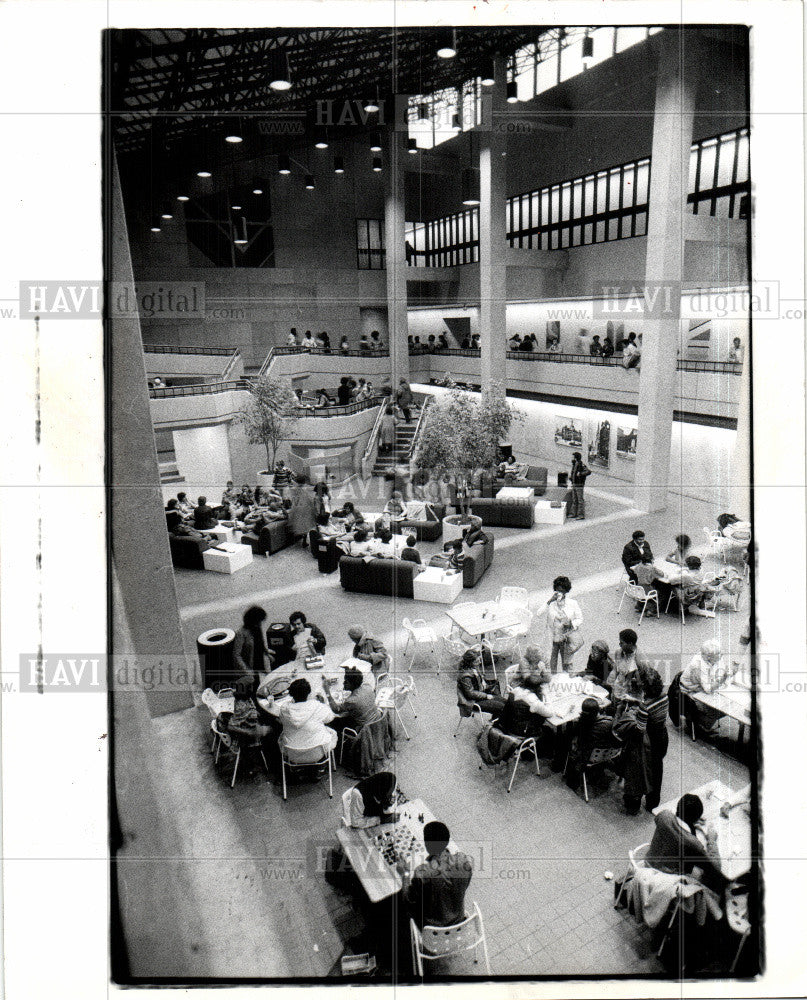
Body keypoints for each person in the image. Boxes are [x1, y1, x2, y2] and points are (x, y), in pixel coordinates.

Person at [645, 793, 727, 892]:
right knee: (714, 878)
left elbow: (673, 821)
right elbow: (716, 867)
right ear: (696, 818)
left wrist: (689, 822)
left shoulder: (663, 816)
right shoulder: (693, 844)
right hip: (667, 882)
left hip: (649, 865)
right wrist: (712, 840)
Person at [406, 821, 473, 929]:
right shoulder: (463, 861)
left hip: (432, 929)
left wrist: (405, 873)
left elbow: (408, 900)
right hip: (459, 922)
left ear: (427, 844)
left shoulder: (422, 873)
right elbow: (464, 886)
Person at [679, 639, 739, 737]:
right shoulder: (698, 665)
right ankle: (697, 724)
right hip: (690, 692)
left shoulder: (713, 658)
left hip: (702, 687)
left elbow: (720, 671)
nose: (722, 655)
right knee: (720, 709)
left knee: (726, 704)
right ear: (708, 656)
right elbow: (708, 689)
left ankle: (701, 721)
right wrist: (723, 678)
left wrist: (730, 673)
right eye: (719, 653)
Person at [563, 696, 619, 789]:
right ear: (598, 710)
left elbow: (572, 735)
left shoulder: (583, 725)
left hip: (587, 756)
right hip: (606, 754)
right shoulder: (609, 721)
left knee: (566, 740)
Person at [277, 678, 337, 761]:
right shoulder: (316, 706)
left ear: (291, 694)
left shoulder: (284, 708)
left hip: (292, 754)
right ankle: (321, 766)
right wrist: (322, 704)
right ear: (308, 693)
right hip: (317, 753)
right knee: (329, 730)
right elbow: (330, 718)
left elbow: (282, 720)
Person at [636, 664, 669, 812]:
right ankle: (653, 803)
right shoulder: (664, 696)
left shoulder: (645, 706)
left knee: (648, 771)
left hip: (650, 740)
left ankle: (645, 798)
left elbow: (640, 729)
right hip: (663, 735)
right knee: (658, 769)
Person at [498, 667, 554, 739]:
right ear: (537, 688)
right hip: (520, 732)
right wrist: (546, 695)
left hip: (506, 726)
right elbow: (550, 713)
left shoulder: (516, 690)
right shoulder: (533, 701)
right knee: (549, 731)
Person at [545, 576, 583, 672]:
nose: (559, 593)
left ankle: (568, 681)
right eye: (557, 590)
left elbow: (580, 618)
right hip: (553, 638)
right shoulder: (551, 603)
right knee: (552, 663)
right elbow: (538, 613)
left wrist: (571, 623)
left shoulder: (573, 603)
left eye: (562, 591)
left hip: (566, 639)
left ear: (566, 591)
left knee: (567, 664)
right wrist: (549, 601)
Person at [326, 668, 377, 735]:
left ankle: (339, 740)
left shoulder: (351, 701)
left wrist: (327, 691)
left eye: (346, 682)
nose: (343, 683)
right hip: (375, 720)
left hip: (362, 729)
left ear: (353, 684)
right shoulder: (367, 686)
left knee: (331, 722)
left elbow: (336, 709)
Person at [457, 648, 506, 715]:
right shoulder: (465, 676)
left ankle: (497, 720)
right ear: (470, 663)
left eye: (479, 660)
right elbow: (470, 694)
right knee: (502, 707)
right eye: (477, 661)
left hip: (481, 693)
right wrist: (486, 696)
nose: (480, 662)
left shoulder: (474, 667)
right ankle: (497, 722)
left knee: (506, 703)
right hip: (473, 701)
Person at [606, 628, 649, 705]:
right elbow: (615, 670)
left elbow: (645, 682)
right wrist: (610, 684)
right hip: (617, 691)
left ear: (630, 643)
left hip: (632, 697)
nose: (619, 645)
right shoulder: (618, 652)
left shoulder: (641, 660)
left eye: (622, 643)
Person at [233, 605, 274, 681]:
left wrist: (267, 653)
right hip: (251, 666)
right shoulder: (241, 633)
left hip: (261, 663)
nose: (260, 624)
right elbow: (236, 655)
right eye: (259, 621)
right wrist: (247, 671)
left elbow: (260, 642)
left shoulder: (257, 627)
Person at [288, 476, 318, 547]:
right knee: (306, 525)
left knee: (299, 524)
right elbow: (311, 499)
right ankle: (305, 541)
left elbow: (294, 500)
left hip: (298, 509)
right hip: (306, 509)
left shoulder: (295, 490)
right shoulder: (306, 489)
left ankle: (299, 540)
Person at [569, 451, 591, 520]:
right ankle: (573, 514)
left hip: (579, 485)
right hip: (574, 484)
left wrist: (580, 474)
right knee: (574, 499)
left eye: (573, 457)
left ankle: (581, 515)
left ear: (576, 458)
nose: (572, 458)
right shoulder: (574, 464)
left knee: (580, 500)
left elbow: (588, 471)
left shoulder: (581, 464)